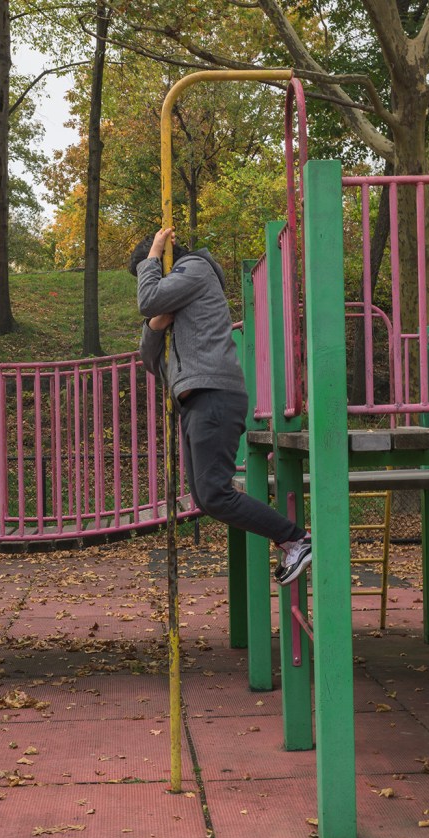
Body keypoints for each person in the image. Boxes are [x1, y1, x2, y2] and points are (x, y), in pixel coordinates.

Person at [130, 226, 311, 585]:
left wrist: (153, 253)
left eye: (147, 271)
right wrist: (155, 324)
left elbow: (148, 298)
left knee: (214, 492)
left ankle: (296, 539)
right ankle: (287, 534)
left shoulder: (195, 270)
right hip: (195, 402)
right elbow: (149, 359)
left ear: (166, 265)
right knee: (207, 496)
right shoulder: (179, 302)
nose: (145, 278)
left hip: (213, 394)